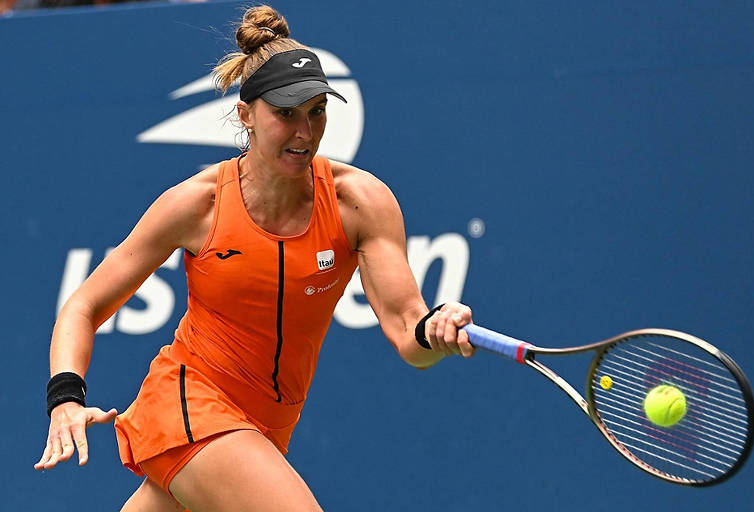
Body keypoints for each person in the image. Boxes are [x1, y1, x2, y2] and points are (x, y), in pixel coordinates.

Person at [34, 5, 475, 511]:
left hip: (265, 427)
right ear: (246, 114)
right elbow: (84, 305)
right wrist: (65, 397)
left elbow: (408, 335)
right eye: (285, 114)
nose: (305, 132)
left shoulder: (361, 203)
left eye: (316, 111)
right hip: (188, 401)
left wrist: (433, 330)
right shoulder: (197, 205)